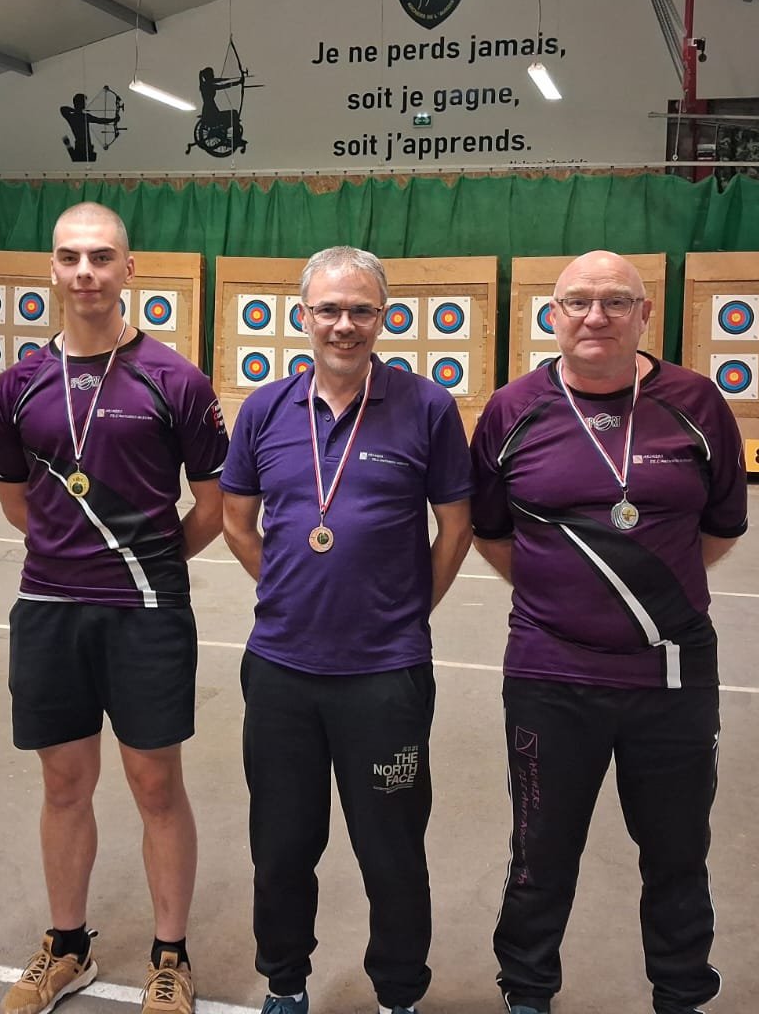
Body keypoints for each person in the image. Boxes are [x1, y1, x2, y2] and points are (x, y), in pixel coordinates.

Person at [469, 251, 749, 1014]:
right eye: (578, 301)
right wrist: (562, 600)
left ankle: (681, 995)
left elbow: (721, 528)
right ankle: (527, 993)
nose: (596, 316)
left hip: (672, 675)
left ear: (645, 314)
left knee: (678, 855)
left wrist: (648, 600)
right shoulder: (512, 409)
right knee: (539, 853)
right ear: (552, 314)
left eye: (617, 301)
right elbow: (491, 533)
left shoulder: (696, 402)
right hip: (549, 676)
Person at [0, 203, 228, 1014]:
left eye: (100, 256)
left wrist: (147, 562)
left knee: (155, 784)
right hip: (49, 608)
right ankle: (68, 947)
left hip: (147, 610)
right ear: (52, 269)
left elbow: (212, 505)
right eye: (70, 257)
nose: (84, 271)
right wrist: (71, 557)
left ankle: (171, 957)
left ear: (130, 268)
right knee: (64, 783)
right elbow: (17, 502)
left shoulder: (175, 380)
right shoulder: (17, 385)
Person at [220, 246, 473, 1014]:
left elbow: (456, 526)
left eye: (361, 310)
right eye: (328, 309)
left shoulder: (427, 406)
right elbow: (236, 521)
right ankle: (286, 983)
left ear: (383, 317)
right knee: (281, 846)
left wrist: (406, 611)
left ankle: (399, 994)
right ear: (303, 316)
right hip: (281, 672)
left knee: (392, 851)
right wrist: (288, 593)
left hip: (386, 677)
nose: (344, 324)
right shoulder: (265, 409)